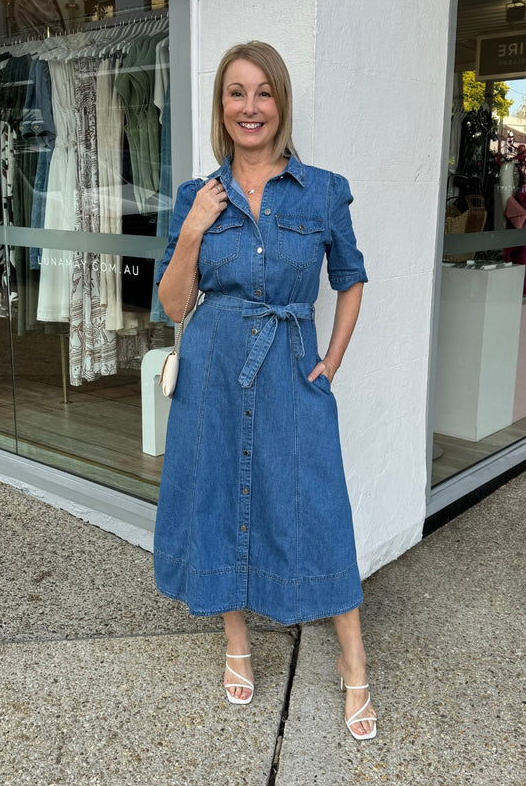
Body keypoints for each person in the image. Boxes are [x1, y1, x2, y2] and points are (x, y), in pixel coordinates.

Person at [153, 41, 376, 741]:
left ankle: (354, 664)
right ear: (221, 107)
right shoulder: (197, 197)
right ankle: (238, 643)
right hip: (213, 369)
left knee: (316, 505)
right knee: (220, 495)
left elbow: (351, 277)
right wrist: (191, 232)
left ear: (280, 102)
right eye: (235, 93)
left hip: (288, 364)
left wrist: (331, 359)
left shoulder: (323, 190)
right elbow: (172, 304)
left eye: (263, 93)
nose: (250, 107)